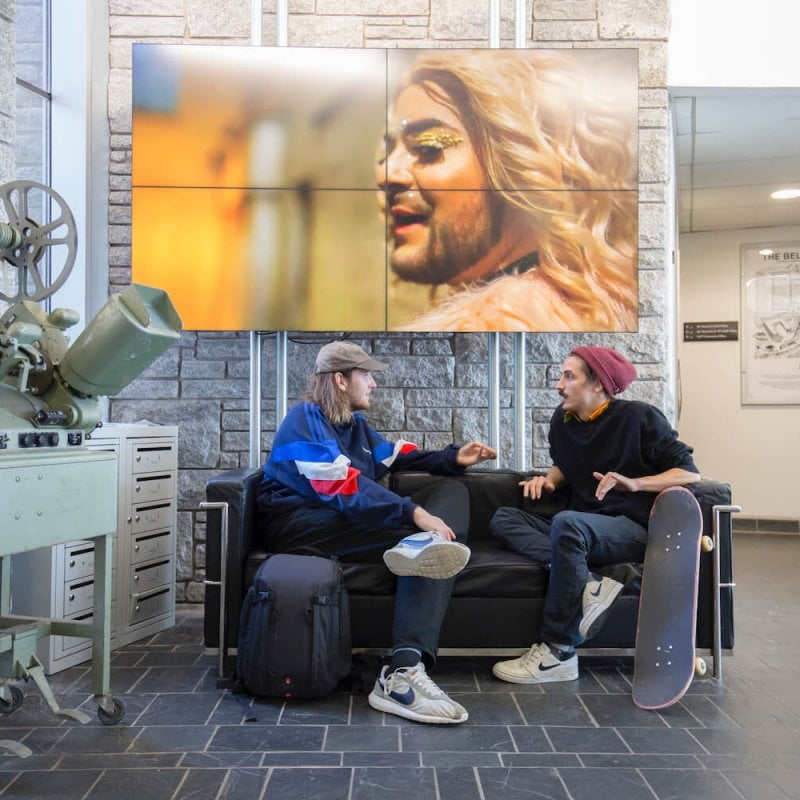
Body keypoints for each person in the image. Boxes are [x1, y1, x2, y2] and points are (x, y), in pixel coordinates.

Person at [256, 340, 496, 723]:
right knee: (423, 542)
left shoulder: (355, 427)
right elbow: (340, 485)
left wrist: (452, 458)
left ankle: (423, 550)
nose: (373, 384)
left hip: (339, 522)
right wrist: (413, 513)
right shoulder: (303, 419)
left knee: (451, 490)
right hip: (301, 525)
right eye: (366, 375)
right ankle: (403, 676)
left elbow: (395, 454)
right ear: (339, 379)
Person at [376, 49, 638, 332]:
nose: (385, 173)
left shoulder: (494, 327)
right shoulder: (590, 308)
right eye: (388, 152)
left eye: (427, 146)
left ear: (517, 166)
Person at [489, 346, 701, 684]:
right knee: (504, 518)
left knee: (568, 523)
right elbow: (566, 463)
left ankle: (558, 652)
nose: (559, 385)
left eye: (568, 376)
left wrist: (635, 483)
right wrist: (548, 480)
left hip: (633, 527)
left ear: (598, 384)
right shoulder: (563, 421)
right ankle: (588, 582)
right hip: (583, 524)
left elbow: (689, 473)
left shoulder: (639, 418)